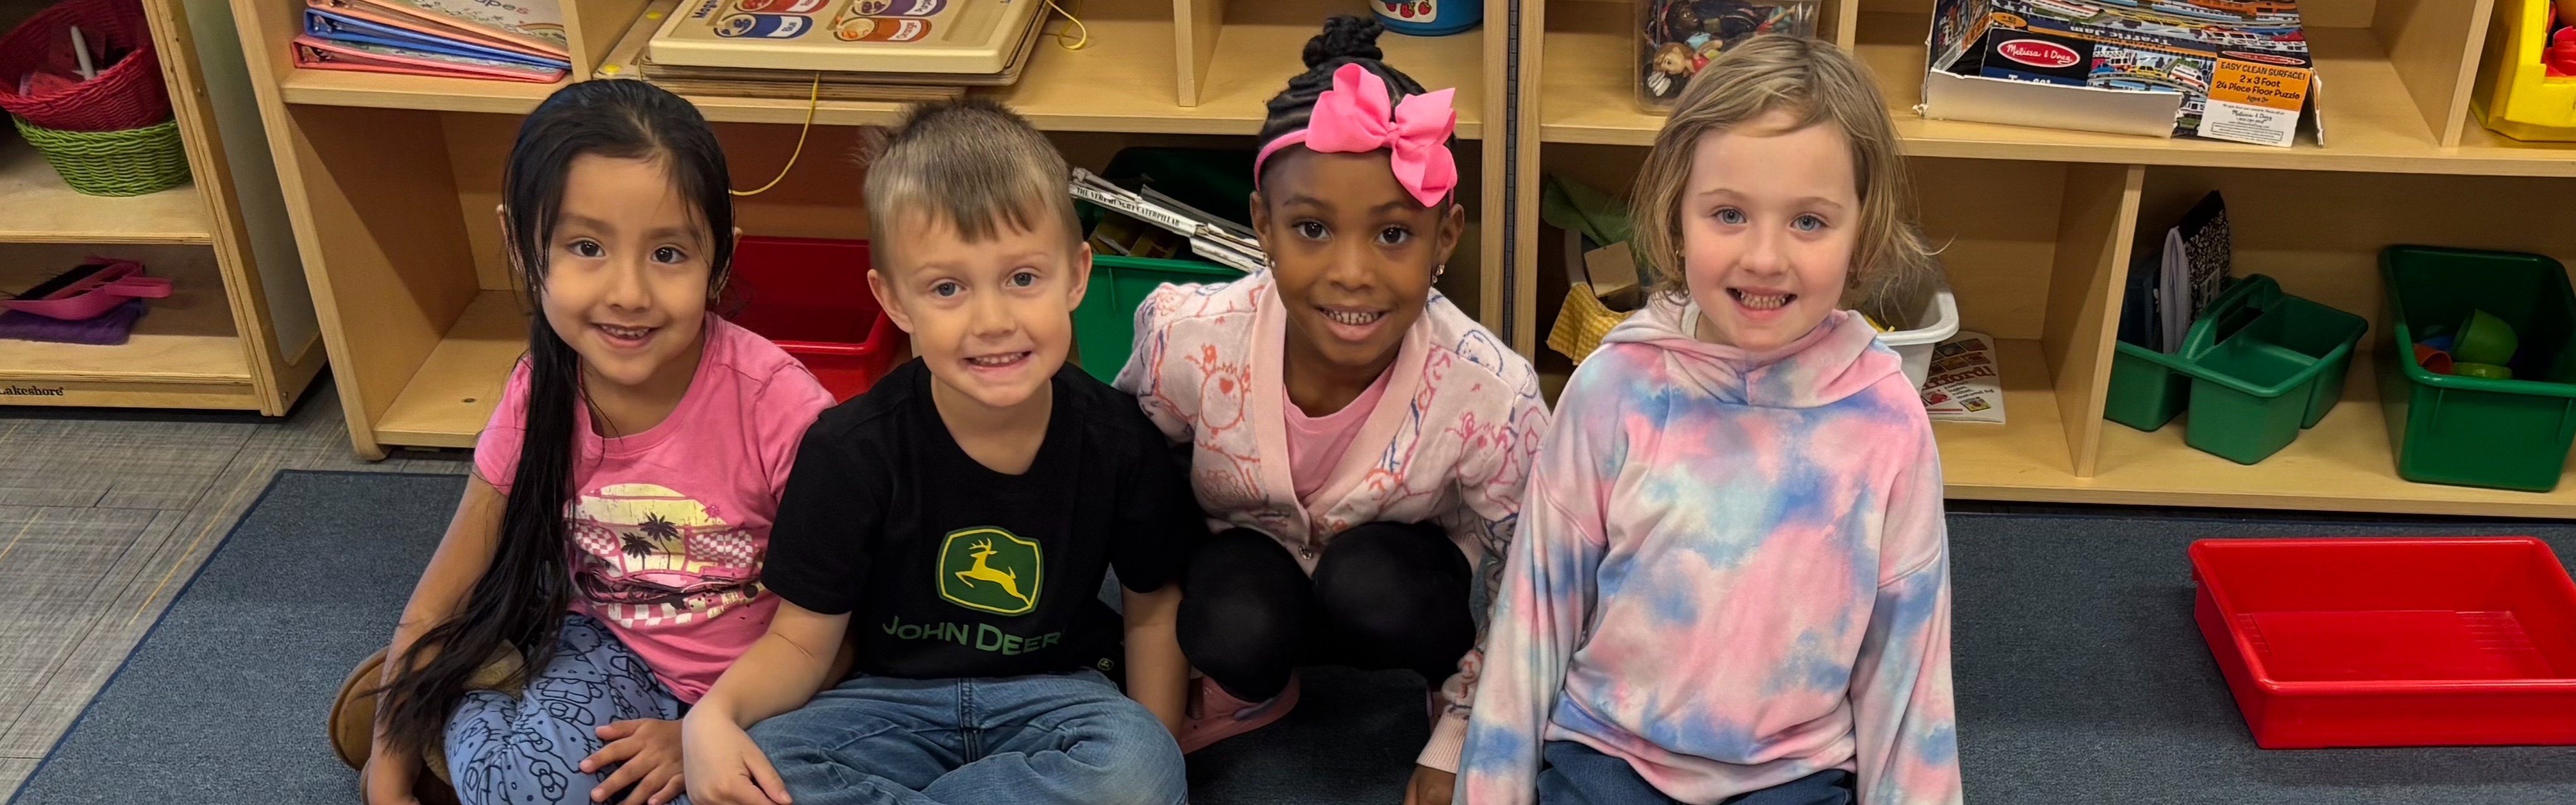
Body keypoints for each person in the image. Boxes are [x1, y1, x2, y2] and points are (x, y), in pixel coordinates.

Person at [1456, 35, 1960, 805]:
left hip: (1792, 775)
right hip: (1610, 757)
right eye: (1728, 213)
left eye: (1810, 222)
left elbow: (1910, 666)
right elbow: (1535, 614)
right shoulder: (1614, 388)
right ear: (1676, 216)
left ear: (1863, 232)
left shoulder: (1886, 418)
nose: (1765, 257)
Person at [678, 98, 1201, 805]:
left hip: (1057, 695)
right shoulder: (848, 450)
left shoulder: (1119, 439)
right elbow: (801, 642)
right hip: (885, 701)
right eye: (948, 287)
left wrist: (1158, 746)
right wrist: (714, 715)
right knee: (766, 760)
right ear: (893, 300)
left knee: (1140, 764)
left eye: (1022, 278)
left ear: (1077, 275)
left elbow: (1151, 608)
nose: (992, 320)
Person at [350, 80, 837, 805]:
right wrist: (384, 777)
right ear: (521, 244)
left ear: (721, 260)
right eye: (587, 247)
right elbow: (439, 598)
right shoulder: (537, 393)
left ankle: (457, 704)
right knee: (525, 781)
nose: (630, 292)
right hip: (616, 652)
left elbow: (834, 632)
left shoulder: (782, 408)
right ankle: (437, 701)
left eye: (669, 253)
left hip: (773, 684)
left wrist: (701, 728)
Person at [1114, 15, 1550, 804]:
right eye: (1312, 229)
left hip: (1396, 579)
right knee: (1234, 617)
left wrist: (1463, 728)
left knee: (1373, 584)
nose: (1352, 274)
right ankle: (1247, 683)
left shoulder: (1492, 392)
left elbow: (1532, 574)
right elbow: (1126, 476)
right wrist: (1145, 661)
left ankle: (1418, 682)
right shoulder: (1186, 338)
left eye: (1392, 233)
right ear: (1262, 226)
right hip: (1248, 568)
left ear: (1445, 234)